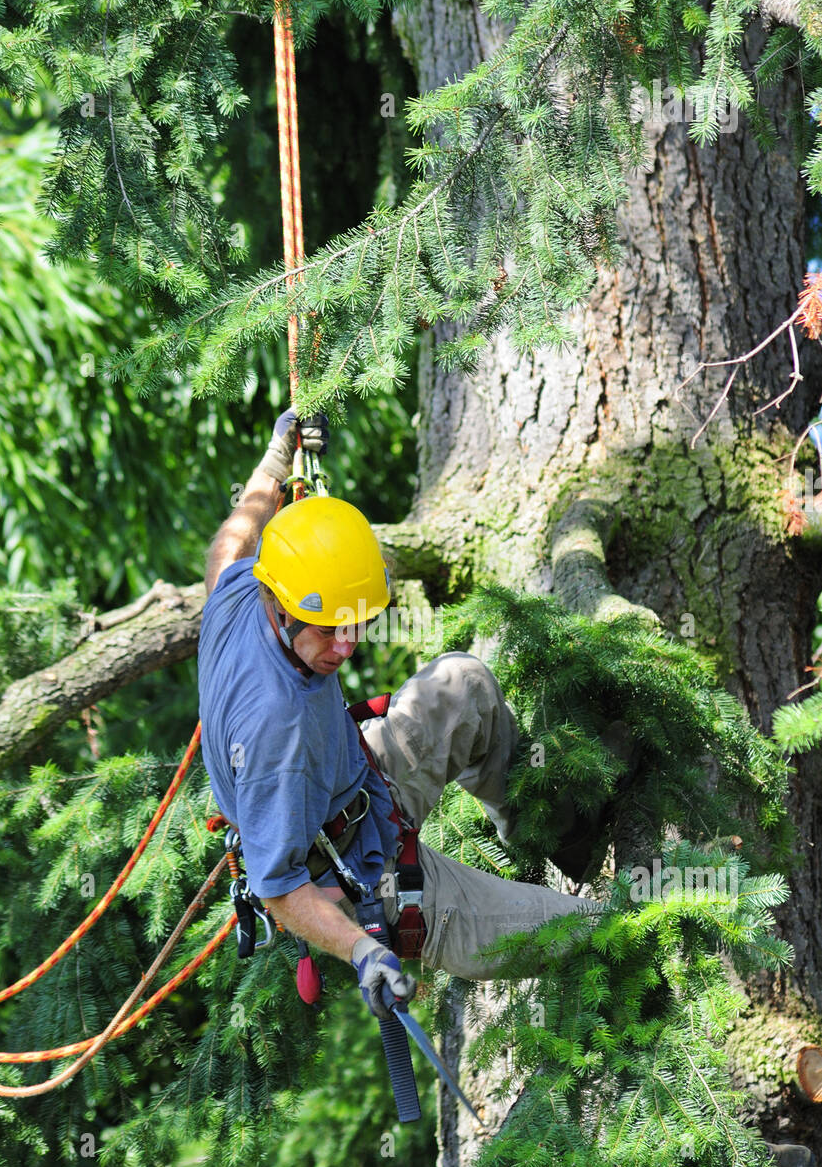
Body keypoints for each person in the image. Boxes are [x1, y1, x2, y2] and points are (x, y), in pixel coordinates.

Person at [197, 410, 596, 1020]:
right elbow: (277, 887)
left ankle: (559, 838)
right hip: (362, 871)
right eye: (330, 631)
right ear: (282, 609)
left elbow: (232, 540)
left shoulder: (242, 588)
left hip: (363, 778)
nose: (347, 643)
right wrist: (362, 951)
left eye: (357, 620)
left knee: (464, 684)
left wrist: (276, 461)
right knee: (578, 927)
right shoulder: (279, 730)